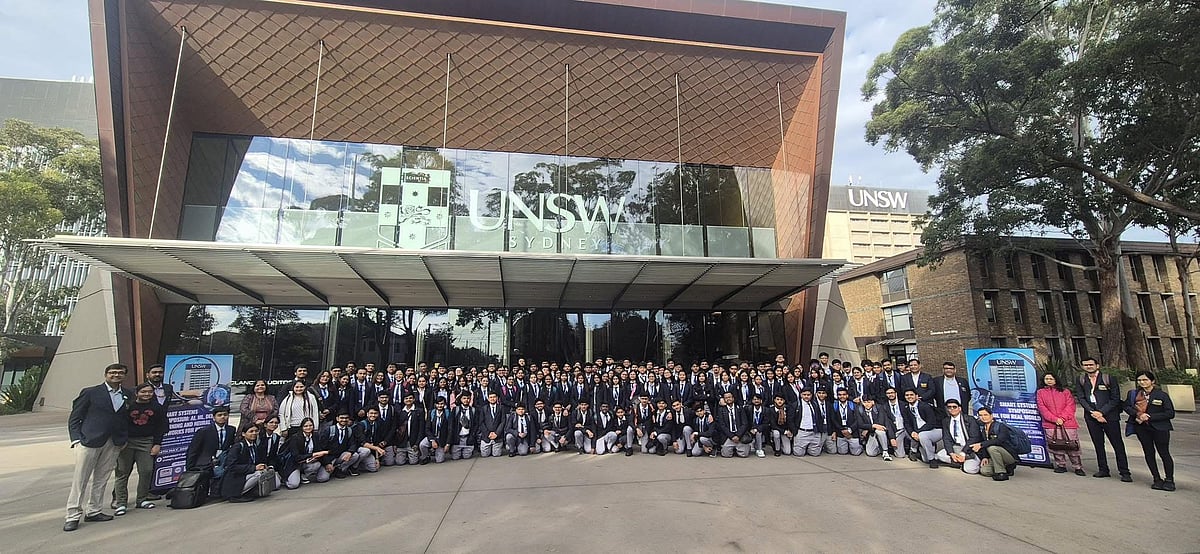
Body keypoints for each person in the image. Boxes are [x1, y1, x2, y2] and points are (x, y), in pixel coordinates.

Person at [64, 363, 131, 532]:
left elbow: (126, 418)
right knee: (80, 480)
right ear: (106, 374)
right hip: (89, 441)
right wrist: (76, 439)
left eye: (120, 373)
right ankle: (72, 515)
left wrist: (123, 439)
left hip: (113, 443)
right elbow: (75, 417)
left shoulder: (128, 394)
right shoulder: (90, 392)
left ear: (124, 376)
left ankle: (94, 510)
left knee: (102, 479)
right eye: (113, 372)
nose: (116, 375)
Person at [1073, 357, 1131, 481]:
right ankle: (1103, 469)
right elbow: (1081, 397)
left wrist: (1101, 412)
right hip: (1091, 416)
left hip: (1109, 416)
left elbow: (1115, 398)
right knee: (1098, 444)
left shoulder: (1108, 378)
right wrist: (1092, 412)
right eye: (1085, 365)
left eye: (1091, 364)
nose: (1088, 367)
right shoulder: (1081, 379)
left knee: (1117, 444)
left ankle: (1124, 472)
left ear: (1097, 365)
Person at [112, 383, 167, 514]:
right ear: (136, 393)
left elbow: (161, 427)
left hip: (147, 441)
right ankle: (121, 503)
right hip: (127, 442)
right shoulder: (127, 406)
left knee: (146, 470)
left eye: (149, 392)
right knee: (122, 472)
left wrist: (157, 444)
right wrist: (120, 441)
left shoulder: (157, 407)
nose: (146, 394)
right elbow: (118, 425)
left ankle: (141, 499)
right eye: (143, 392)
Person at [1124, 371, 1176, 491]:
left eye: (1145, 380)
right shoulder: (1134, 394)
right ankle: (1156, 478)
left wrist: (1149, 417)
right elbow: (1126, 406)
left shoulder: (1162, 395)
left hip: (1160, 428)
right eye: (1140, 380)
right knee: (1149, 452)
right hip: (1142, 428)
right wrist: (1138, 414)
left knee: (1164, 453)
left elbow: (1170, 413)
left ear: (1152, 381)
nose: (1142, 382)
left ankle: (1169, 480)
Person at [1036, 372, 1085, 476]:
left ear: (1056, 379)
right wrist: (1054, 419)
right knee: (1055, 445)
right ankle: (1061, 465)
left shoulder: (1065, 392)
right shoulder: (1040, 392)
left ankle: (1077, 466)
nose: (1049, 380)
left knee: (1072, 445)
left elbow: (1070, 406)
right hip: (1050, 424)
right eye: (1047, 379)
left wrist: (1062, 418)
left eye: (1051, 378)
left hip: (1067, 423)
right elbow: (1042, 408)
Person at [219, 422, 275, 502]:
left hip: (245, 474)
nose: (254, 433)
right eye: (251, 431)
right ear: (243, 434)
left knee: (265, 472)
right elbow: (231, 466)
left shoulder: (254, 445)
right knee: (259, 474)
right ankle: (236, 494)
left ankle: (248, 491)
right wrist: (254, 468)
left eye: (256, 431)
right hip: (235, 477)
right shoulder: (238, 447)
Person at [934, 399, 982, 474]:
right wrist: (952, 454)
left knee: (970, 470)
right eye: (949, 407)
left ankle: (963, 462)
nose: (952, 409)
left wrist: (963, 453)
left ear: (959, 408)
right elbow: (946, 439)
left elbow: (974, 438)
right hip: (956, 448)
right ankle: (959, 461)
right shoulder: (946, 421)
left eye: (954, 407)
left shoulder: (970, 419)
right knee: (940, 455)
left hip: (969, 449)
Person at [184, 405, 237, 474]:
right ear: (214, 417)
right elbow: (193, 450)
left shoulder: (231, 430)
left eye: (225, 415)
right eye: (219, 415)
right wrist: (190, 469)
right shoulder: (204, 431)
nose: (223, 417)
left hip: (223, 462)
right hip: (206, 464)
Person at [973, 407, 1017, 481]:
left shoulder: (1000, 426)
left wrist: (981, 444)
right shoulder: (982, 428)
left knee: (992, 448)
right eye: (980, 415)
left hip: (1008, 456)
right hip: (994, 456)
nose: (983, 417)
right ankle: (1005, 468)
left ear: (991, 415)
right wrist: (985, 457)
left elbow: (1000, 440)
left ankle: (1001, 473)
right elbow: (984, 443)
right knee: (985, 471)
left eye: (985, 415)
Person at [900, 389, 942, 467]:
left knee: (922, 435)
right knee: (925, 459)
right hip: (918, 432)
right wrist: (912, 432)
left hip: (934, 430)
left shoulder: (925, 406)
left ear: (916, 396)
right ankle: (915, 451)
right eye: (907, 395)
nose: (909, 397)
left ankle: (932, 459)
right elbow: (907, 423)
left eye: (911, 395)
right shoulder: (905, 408)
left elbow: (931, 423)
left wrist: (918, 432)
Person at [284, 418, 329, 488]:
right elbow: (296, 457)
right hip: (295, 464)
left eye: (310, 425)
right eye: (306, 426)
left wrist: (327, 463)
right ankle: (285, 479)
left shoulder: (315, 436)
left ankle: (303, 475)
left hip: (309, 462)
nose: (308, 428)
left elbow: (320, 450)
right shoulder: (295, 437)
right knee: (293, 485)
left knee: (317, 465)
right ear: (302, 427)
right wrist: (312, 455)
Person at [856, 396, 895, 461]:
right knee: (871, 453)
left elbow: (881, 423)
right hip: (871, 433)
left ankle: (885, 451)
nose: (867, 404)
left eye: (869, 402)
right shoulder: (859, 409)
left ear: (873, 402)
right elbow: (860, 424)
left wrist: (892, 437)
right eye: (865, 402)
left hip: (881, 431)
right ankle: (880, 447)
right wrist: (872, 426)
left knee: (879, 431)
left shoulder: (879, 408)